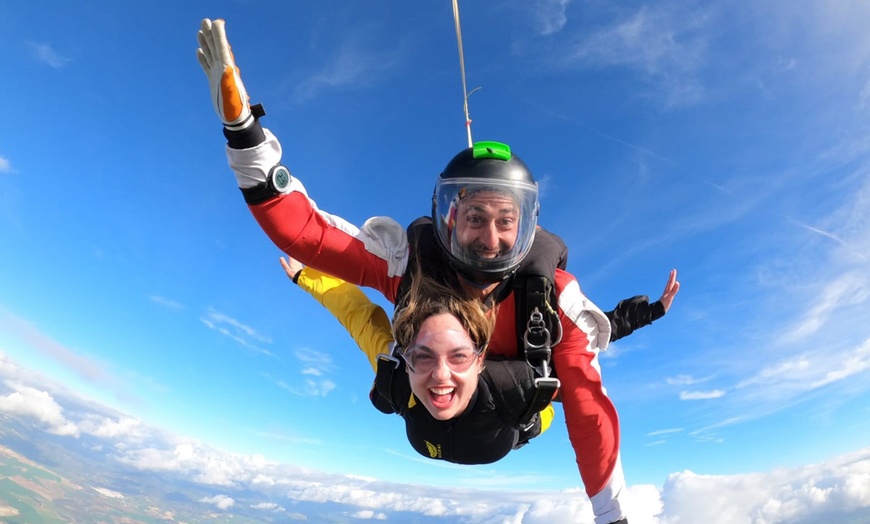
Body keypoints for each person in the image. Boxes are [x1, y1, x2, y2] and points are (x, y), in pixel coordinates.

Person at [196, 18, 680, 524]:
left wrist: (612, 515)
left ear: (527, 228)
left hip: (506, 423)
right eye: (474, 217)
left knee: (550, 372)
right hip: (420, 410)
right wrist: (242, 129)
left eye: (505, 222)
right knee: (375, 334)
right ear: (450, 216)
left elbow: (586, 393)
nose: (489, 238)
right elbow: (307, 234)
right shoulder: (412, 264)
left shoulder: (549, 298)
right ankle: (371, 322)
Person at [280, 256, 556, 464]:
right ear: (408, 357)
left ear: (481, 359)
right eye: (423, 357)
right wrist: (309, 275)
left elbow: (560, 400)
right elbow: (358, 318)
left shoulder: (512, 389)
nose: (440, 375)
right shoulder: (398, 376)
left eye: (458, 356)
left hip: (509, 425)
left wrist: (532, 424)